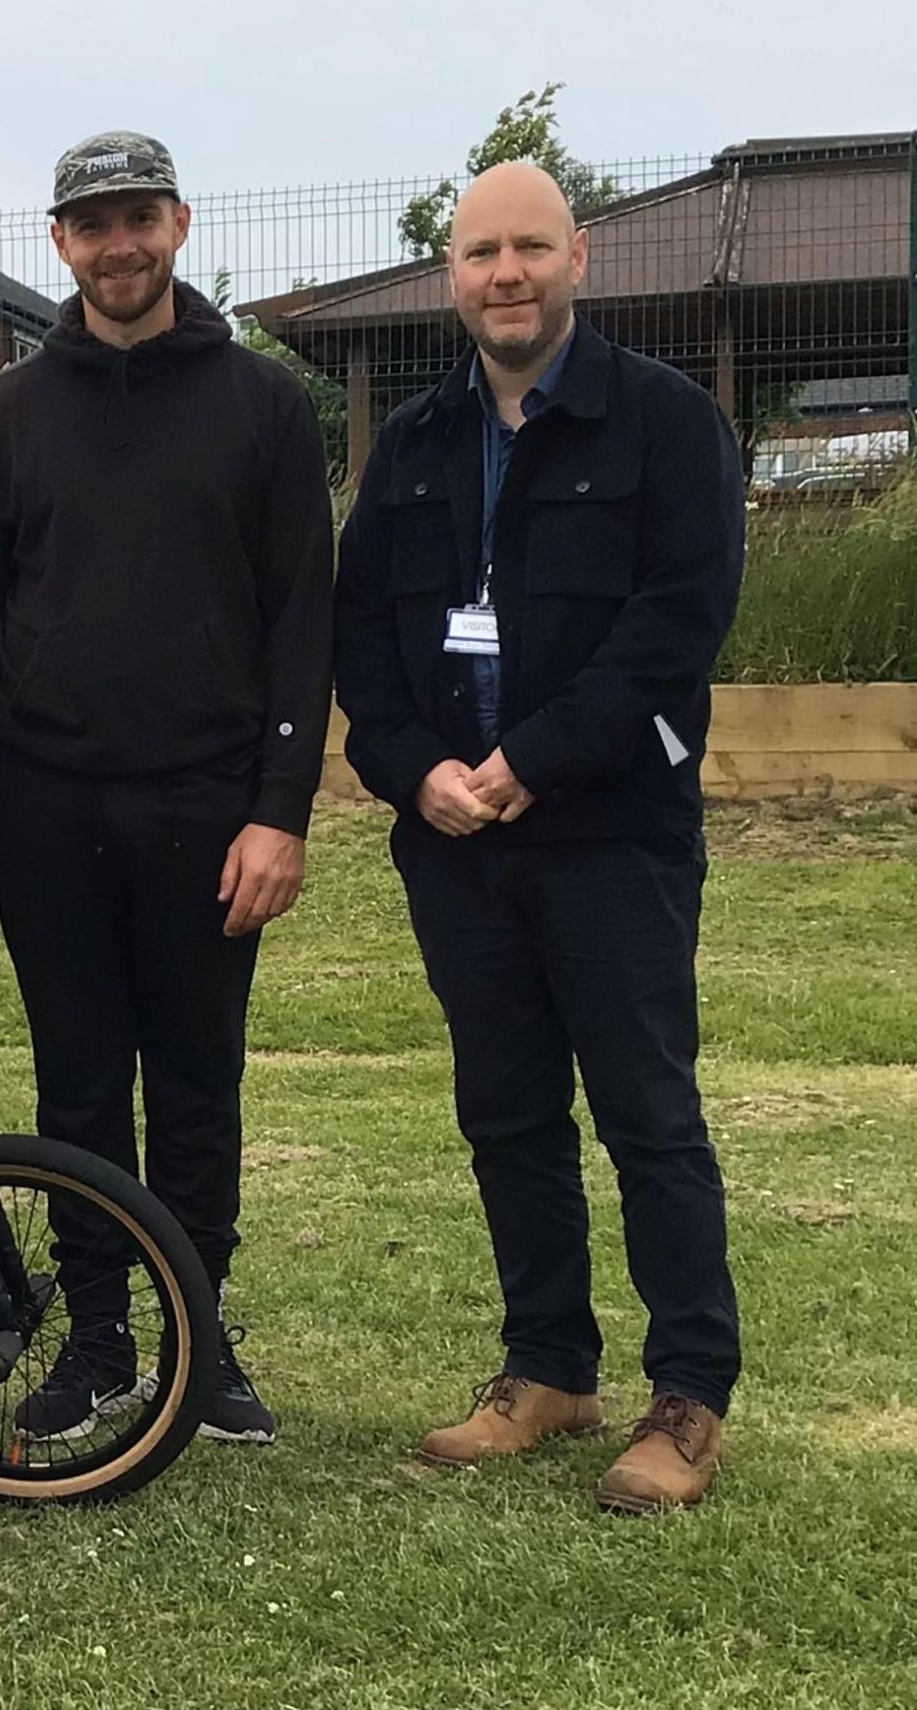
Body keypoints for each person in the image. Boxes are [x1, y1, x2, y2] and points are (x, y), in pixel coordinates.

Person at [0, 132, 336, 1445]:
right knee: (78, 1086)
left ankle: (199, 1341)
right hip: (48, 804)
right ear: (61, 245)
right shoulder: (6, 414)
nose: (119, 244)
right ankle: (97, 1340)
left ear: (179, 224)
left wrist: (282, 810)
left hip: (212, 807)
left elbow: (300, 623)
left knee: (199, 1082)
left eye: (139, 217)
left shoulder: (263, 406)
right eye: (92, 225)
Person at [333, 162, 746, 1512]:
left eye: (528, 249)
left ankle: (685, 1396)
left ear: (581, 256)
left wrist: (531, 763)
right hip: (457, 846)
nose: (502, 274)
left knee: (646, 1115)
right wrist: (417, 777)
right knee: (508, 1114)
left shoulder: (666, 425)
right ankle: (549, 1369)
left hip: (611, 834)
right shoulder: (411, 450)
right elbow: (364, 649)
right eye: (477, 253)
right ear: (451, 273)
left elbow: (674, 633)